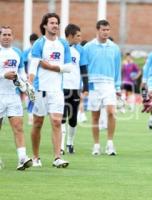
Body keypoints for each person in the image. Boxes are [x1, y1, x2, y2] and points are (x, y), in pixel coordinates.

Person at [28, 13, 72, 168]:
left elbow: (69, 67)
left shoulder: (63, 44)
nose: (55, 25)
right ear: (45, 25)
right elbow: (33, 65)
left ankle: (57, 157)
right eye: (52, 23)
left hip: (57, 90)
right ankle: (35, 157)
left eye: (57, 23)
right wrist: (30, 82)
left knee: (56, 122)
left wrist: (52, 67)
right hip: (40, 90)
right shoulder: (39, 44)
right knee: (38, 123)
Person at [84, 20, 121, 156]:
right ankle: (96, 145)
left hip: (109, 84)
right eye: (103, 30)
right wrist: (85, 86)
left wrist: (117, 86)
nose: (106, 32)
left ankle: (110, 144)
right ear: (97, 30)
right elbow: (84, 67)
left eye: (108, 30)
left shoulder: (115, 48)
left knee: (111, 112)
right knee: (95, 116)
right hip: (93, 84)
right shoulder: (88, 47)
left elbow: (117, 68)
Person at [0, 26, 32, 170]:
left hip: (13, 95)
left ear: (13, 36)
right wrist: (3, 75)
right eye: (4, 34)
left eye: (9, 34)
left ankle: (22, 159)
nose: (7, 37)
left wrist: (25, 86)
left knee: (18, 126)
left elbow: (22, 73)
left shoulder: (17, 52)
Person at [60, 24, 89, 155]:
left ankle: (70, 143)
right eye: (78, 35)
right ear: (71, 35)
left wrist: (86, 87)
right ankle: (60, 146)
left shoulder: (80, 50)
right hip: (60, 88)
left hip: (75, 89)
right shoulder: (59, 46)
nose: (80, 38)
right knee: (62, 117)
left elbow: (83, 69)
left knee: (73, 119)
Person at [22, 33, 39, 125]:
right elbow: (24, 64)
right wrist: (26, 76)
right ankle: (30, 116)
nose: (33, 43)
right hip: (29, 77)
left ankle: (34, 115)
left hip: (38, 78)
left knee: (36, 97)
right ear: (30, 42)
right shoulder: (27, 52)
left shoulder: (40, 51)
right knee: (29, 95)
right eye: (32, 42)